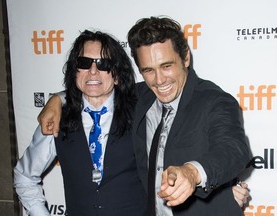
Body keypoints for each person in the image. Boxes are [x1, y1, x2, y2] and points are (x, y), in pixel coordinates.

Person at [37, 17, 251, 215]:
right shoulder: (142, 96)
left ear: (185, 57)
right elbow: (97, 89)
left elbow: (232, 148)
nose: (159, 80)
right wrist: (57, 100)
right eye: (148, 70)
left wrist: (192, 173)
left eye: (166, 66)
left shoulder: (215, 101)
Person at [13, 29, 147, 216]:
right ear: (75, 71)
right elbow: (24, 176)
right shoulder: (56, 119)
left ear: (116, 74)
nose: (93, 71)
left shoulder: (142, 110)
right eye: (84, 63)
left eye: (103, 64)